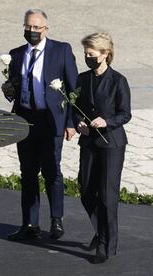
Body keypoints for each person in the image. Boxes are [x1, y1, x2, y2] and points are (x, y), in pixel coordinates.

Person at [2, 9, 78, 241]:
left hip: (50, 120)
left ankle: (56, 220)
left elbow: (74, 89)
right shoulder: (16, 54)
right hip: (25, 119)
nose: (32, 31)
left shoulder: (61, 51)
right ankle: (30, 223)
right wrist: (8, 89)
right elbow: (13, 89)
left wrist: (71, 122)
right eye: (28, 27)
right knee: (27, 173)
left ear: (46, 28)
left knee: (52, 171)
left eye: (36, 27)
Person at [74, 32, 131, 264]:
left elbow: (125, 113)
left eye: (91, 54)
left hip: (111, 144)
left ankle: (107, 246)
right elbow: (75, 107)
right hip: (88, 142)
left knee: (107, 196)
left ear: (105, 54)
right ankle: (100, 231)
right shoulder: (82, 79)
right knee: (86, 189)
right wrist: (77, 122)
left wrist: (107, 121)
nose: (87, 57)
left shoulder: (118, 81)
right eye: (86, 53)